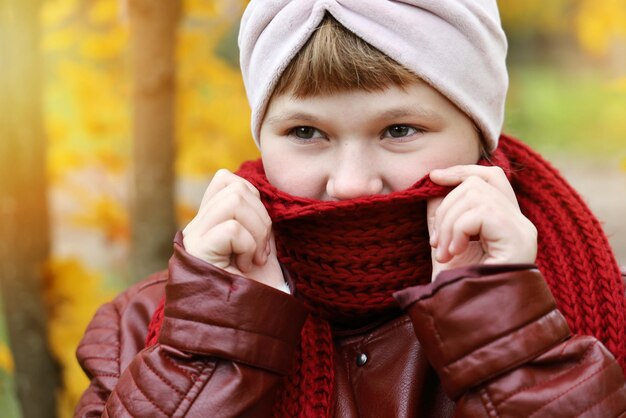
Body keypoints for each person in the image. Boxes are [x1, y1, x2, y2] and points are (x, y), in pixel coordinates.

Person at [75, 1, 626, 416]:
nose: (352, 183)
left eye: (400, 129)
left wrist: (503, 325)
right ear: (262, 137)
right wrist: (219, 337)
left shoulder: (591, 305)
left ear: (480, 136)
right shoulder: (143, 328)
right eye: (306, 131)